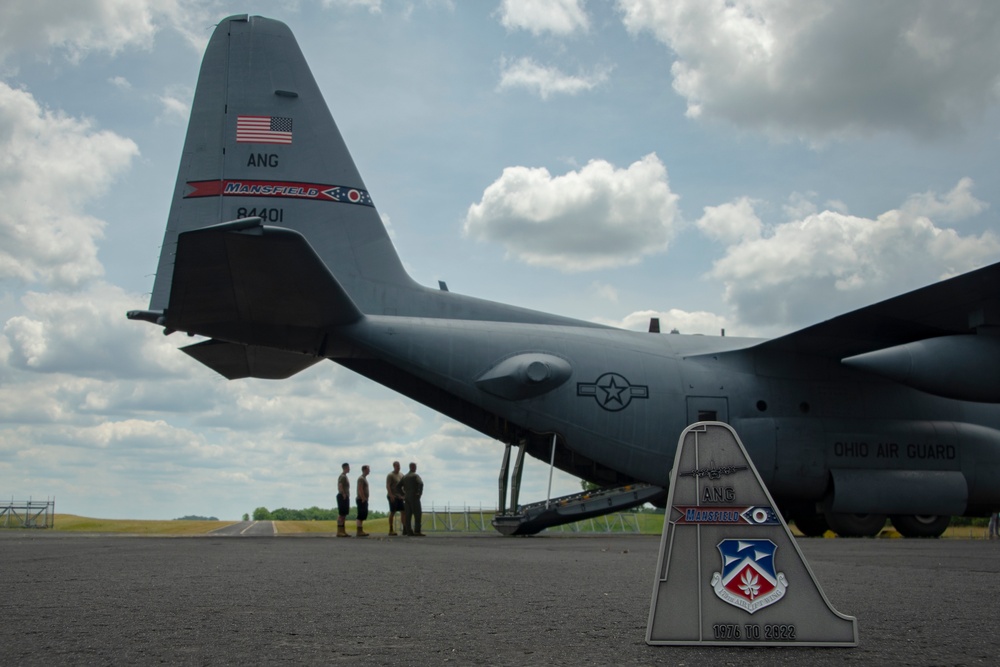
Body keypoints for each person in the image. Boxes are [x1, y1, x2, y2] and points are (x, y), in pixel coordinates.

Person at [401, 462, 424, 536]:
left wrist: (403, 494)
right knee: (417, 514)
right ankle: (417, 531)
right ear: (413, 467)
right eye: (415, 467)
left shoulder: (404, 477)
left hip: (406, 497)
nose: (416, 468)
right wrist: (419, 493)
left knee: (408, 515)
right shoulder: (415, 476)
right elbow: (420, 483)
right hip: (414, 497)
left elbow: (398, 486)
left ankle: (409, 531)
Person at [386, 461, 405, 536]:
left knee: (403, 511)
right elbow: (388, 486)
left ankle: (405, 528)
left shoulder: (401, 475)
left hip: (400, 496)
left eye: (399, 466)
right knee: (393, 512)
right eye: (397, 466)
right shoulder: (390, 475)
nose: (398, 467)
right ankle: (391, 529)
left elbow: (403, 486)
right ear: (394, 466)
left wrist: (403, 495)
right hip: (393, 496)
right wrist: (391, 495)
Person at [336, 462, 351, 538]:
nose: (349, 469)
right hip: (342, 496)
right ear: (345, 468)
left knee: (344, 514)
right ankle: (339, 531)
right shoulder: (342, 476)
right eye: (348, 467)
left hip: (345, 495)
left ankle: (343, 530)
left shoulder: (345, 476)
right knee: (341, 514)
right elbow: (340, 485)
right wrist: (343, 493)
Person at [355, 465, 370, 537]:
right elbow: (360, 488)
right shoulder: (361, 478)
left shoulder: (364, 478)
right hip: (361, 499)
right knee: (360, 515)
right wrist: (363, 498)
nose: (369, 471)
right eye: (368, 469)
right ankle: (359, 531)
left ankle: (361, 530)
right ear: (364, 470)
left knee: (363, 515)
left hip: (364, 499)